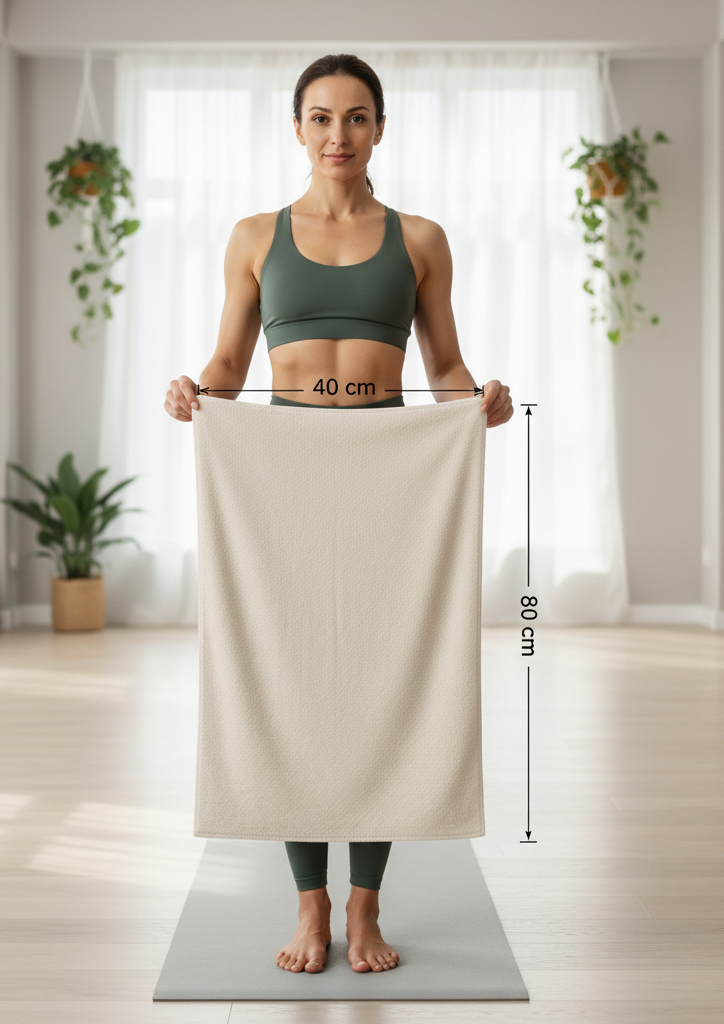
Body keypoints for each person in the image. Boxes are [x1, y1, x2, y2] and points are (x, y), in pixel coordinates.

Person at [164, 53, 513, 976]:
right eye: (320, 118)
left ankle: (365, 909)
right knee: (294, 688)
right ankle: (309, 907)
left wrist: (481, 401)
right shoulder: (252, 236)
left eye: (356, 118)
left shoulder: (423, 239)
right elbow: (229, 368)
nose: (338, 136)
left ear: (380, 129)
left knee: (375, 686)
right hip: (283, 476)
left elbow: (442, 369)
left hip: (387, 478)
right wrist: (192, 392)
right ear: (296, 129)